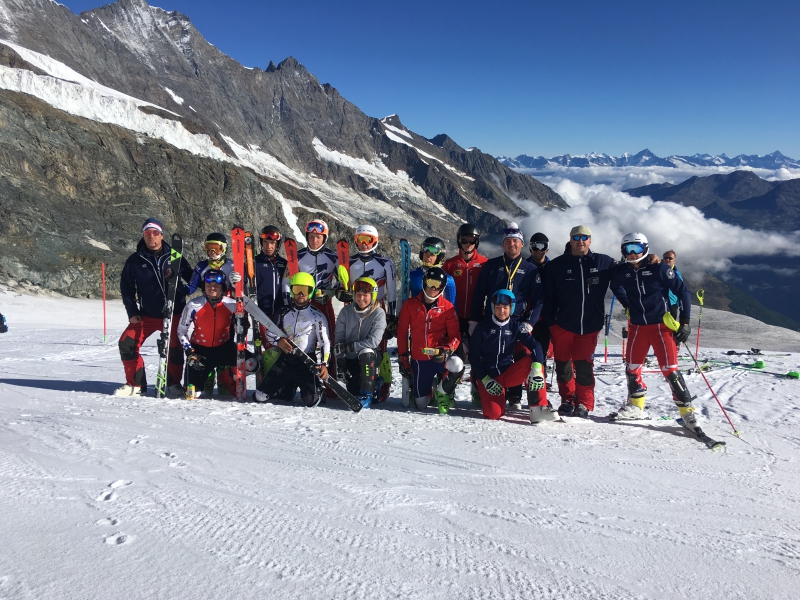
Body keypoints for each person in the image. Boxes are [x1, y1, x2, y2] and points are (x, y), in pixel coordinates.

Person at [610, 233, 698, 429]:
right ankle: (636, 407)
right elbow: (614, 286)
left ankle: (687, 413)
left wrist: (685, 322)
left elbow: (682, 292)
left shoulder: (659, 268)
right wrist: (627, 303)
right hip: (637, 327)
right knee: (632, 368)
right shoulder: (621, 271)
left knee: (670, 371)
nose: (632, 253)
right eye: (627, 249)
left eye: (637, 248)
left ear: (645, 248)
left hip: (661, 327)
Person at [541, 225, 623, 419]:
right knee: (563, 366)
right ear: (570, 240)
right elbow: (546, 297)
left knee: (584, 366)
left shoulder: (603, 262)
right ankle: (567, 400)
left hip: (589, 327)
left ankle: (584, 403)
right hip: (562, 326)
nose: (580, 241)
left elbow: (628, 268)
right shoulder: (557, 265)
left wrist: (652, 261)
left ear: (590, 240)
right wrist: (552, 323)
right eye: (576, 238)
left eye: (584, 237)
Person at [469, 222, 542, 410]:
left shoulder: (530, 269)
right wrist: (474, 320)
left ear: (522, 244)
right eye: (508, 241)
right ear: (503, 244)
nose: (512, 244)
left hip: (518, 322)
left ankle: (527, 400)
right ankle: (483, 387)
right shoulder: (491, 266)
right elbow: (479, 294)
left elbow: (538, 300)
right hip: (491, 321)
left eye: (515, 241)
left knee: (525, 357)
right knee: (490, 357)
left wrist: (530, 323)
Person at [117, 218, 192, 397]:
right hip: (147, 315)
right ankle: (136, 385)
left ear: (161, 235)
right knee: (127, 343)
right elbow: (127, 288)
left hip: (174, 313)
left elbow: (192, 280)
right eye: (147, 233)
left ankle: (173, 383)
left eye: (155, 233)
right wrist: (132, 312)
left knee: (175, 348)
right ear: (143, 236)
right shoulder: (135, 260)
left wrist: (180, 287)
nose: (151, 236)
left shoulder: (175, 256)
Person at [176, 270, 257, 399]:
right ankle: (198, 383)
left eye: (216, 286)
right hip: (200, 352)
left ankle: (227, 375)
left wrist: (242, 323)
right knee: (192, 394)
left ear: (223, 287)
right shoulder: (193, 305)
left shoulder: (232, 304)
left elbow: (240, 331)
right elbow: (181, 331)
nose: (212, 288)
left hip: (223, 349)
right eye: (208, 285)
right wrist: (189, 351)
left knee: (252, 363)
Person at [255, 272, 330, 407]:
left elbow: (325, 342)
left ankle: (318, 390)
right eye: (297, 289)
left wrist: (324, 363)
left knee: (311, 402)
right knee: (259, 397)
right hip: (285, 360)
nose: (301, 294)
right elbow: (269, 333)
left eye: (305, 290)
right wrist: (279, 341)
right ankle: (289, 386)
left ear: (311, 292)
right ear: (291, 291)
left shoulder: (317, 316)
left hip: (306, 361)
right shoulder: (283, 312)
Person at [470, 290, 546, 421]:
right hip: (488, 377)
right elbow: (473, 356)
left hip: (507, 373)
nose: (501, 311)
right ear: (493, 308)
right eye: (498, 307)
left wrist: (537, 368)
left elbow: (535, 345)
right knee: (494, 414)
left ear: (511, 308)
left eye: (505, 307)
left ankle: (538, 409)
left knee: (534, 364)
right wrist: (484, 378)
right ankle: (481, 391)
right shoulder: (482, 327)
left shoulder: (516, 326)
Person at [397, 267, 463, 413]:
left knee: (457, 364)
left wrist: (447, 350)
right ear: (424, 282)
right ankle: (428, 391)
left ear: (442, 287)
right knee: (420, 405)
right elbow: (402, 332)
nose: (433, 288)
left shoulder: (447, 307)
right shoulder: (410, 305)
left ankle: (443, 391)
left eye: (437, 284)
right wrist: (403, 358)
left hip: (440, 357)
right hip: (420, 359)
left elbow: (455, 335)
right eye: (430, 283)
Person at [290, 219, 343, 394]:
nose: (314, 240)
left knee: (328, 341)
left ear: (324, 238)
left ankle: (330, 384)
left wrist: (330, 292)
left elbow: (342, 284)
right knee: (304, 343)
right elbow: (288, 281)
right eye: (311, 236)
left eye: (318, 237)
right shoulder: (298, 257)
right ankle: (304, 381)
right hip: (303, 305)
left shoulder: (333, 258)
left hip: (324, 304)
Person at [347, 224, 397, 401]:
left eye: (368, 240)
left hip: (377, 308)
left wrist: (392, 316)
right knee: (356, 345)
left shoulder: (385, 263)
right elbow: (341, 285)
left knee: (380, 348)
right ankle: (361, 381)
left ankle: (385, 383)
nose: (364, 244)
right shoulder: (349, 262)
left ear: (375, 241)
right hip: (355, 308)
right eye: (360, 239)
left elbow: (392, 290)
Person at [333, 276, 387, 409]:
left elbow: (374, 341)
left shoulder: (378, 313)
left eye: (365, 295)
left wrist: (350, 347)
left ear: (373, 295)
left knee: (366, 352)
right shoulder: (346, 311)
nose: (361, 298)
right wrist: (340, 360)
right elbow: (339, 338)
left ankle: (366, 395)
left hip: (370, 356)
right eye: (358, 294)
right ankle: (375, 384)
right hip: (351, 357)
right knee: (353, 390)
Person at [442, 223, 488, 361]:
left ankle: (476, 375)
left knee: (477, 354)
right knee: (454, 354)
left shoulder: (484, 263)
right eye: (464, 240)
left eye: (471, 240)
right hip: (454, 315)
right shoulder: (450, 264)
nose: (468, 244)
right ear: (459, 241)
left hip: (476, 316)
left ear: (476, 242)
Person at [254, 225, 288, 374]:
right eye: (266, 243)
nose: (269, 246)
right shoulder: (255, 263)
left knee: (280, 349)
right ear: (261, 243)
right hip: (262, 314)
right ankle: (266, 378)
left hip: (281, 315)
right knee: (269, 348)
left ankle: (279, 380)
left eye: (272, 243)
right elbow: (243, 284)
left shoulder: (284, 264)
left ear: (277, 244)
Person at [526, 232, 553, 410]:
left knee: (540, 358)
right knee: (522, 357)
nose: (538, 250)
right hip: (527, 319)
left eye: (542, 246)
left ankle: (538, 397)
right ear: (530, 248)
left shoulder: (552, 267)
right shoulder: (525, 266)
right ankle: (515, 394)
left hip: (545, 320)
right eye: (535, 246)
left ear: (547, 248)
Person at [410, 237, 456, 303]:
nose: (428, 257)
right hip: (415, 309)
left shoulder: (448, 279)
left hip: (437, 309)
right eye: (426, 253)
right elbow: (402, 299)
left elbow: (451, 305)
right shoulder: (412, 274)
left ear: (439, 257)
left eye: (432, 254)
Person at [662, 250, 684, 321]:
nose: (667, 260)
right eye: (665, 258)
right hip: (659, 304)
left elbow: (681, 290)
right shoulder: (657, 271)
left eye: (670, 258)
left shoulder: (677, 274)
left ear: (674, 260)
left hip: (672, 304)